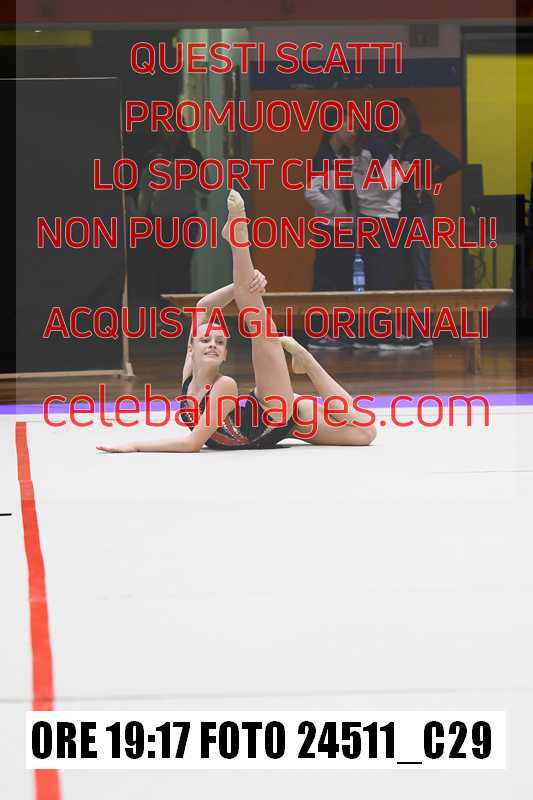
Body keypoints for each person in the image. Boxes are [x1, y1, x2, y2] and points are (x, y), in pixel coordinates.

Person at [97, 191, 376, 453]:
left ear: (225, 354)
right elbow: (203, 307)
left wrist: (135, 445)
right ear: (191, 349)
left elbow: (192, 443)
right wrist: (240, 284)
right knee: (365, 434)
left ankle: (240, 240)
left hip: (274, 413)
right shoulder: (188, 376)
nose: (212, 344)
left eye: (220, 342)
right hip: (280, 426)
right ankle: (301, 355)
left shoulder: (225, 385)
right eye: (205, 340)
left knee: (262, 332)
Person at [304, 120, 358, 350]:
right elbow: (310, 192)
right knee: (325, 278)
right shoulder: (322, 158)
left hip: (347, 227)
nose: (352, 131)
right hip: (328, 226)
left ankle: (343, 331)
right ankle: (319, 331)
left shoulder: (349, 157)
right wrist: (334, 208)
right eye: (347, 127)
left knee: (345, 279)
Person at [135, 130, 206, 299]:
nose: (171, 133)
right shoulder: (152, 156)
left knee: (182, 267)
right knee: (159, 268)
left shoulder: (193, 156)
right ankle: (162, 309)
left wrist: (189, 173)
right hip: (159, 221)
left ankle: (182, 308)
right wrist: (140, 219)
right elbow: (145, 190)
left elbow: (206, 187)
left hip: (185, 221)